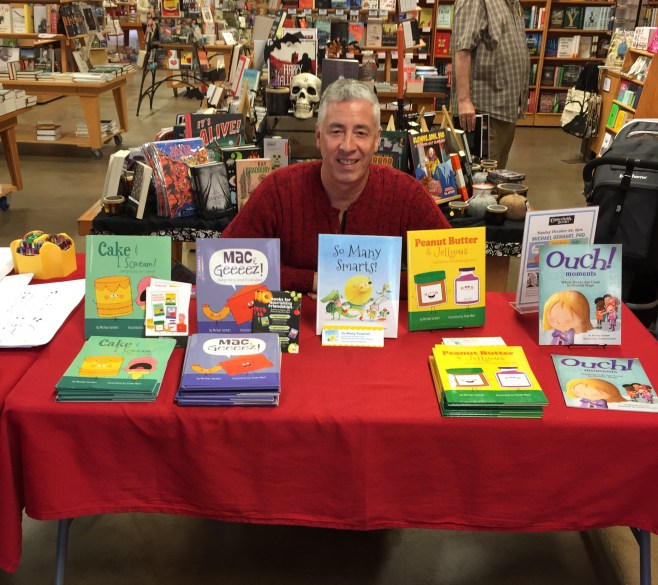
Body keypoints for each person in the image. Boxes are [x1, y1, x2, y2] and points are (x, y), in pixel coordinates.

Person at [221, 78, 451, 295]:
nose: (347, 146)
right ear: (318, 136)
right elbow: (222, 264)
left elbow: (452, 270)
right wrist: (311, 280)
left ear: (376, 140)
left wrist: (347, 284)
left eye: (361, 133)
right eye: (336, 131)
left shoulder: (406, 194)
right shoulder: (279, 190)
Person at [451, 0, 530, 169]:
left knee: (497, 174)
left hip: (506, 109)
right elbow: (462, 50)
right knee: (482, 176)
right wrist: (464, 100)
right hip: (484, 113)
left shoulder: (511, 3)